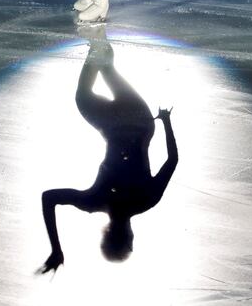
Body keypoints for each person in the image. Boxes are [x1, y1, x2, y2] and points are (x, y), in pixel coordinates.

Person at [38, 34, 178, 275]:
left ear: (130, 236)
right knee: (89, 86)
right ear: (105, 235)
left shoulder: (147, 201)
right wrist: (56, 248)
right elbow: (48, 198)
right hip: (114, 125)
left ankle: (97, 36)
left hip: (140, 122)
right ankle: (96, 37)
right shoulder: (94, 201)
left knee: (107, 68)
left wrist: (165, 122)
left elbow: (172, 160)